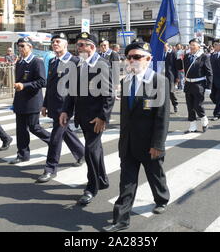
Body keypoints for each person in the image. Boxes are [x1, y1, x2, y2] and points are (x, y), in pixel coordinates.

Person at [103, 40, 170, 232]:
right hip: (129, 142)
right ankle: (121, 220)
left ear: (148, 59)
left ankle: (161, 198)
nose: (132, 60)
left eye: (137, 57)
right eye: (129, 57)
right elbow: (126, 116)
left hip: (150, 142)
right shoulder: (126, 81)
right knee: (127, 182)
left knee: (155, 174)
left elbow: (162, 118)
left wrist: (158, 144)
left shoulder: (159, 81)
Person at [60, 32, 115, 205]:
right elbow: (71, 91)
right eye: (78, 45)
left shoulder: (102, 65)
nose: (79, 48)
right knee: (95, 149)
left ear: (92, 47)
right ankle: (103, 179)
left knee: (90, 151)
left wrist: (103, 117)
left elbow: (109, 95)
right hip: (82, 116)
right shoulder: (77, 65)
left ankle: (92, 187)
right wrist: (65, 111)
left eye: (83, 45)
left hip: (95, 118)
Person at [37, 33, 85, 183]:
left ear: (65, 44)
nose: (54, 44)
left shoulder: (75, 61)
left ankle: (50, 168)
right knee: (66, 132)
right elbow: (50, 85)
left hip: (66, 107)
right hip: (54, 104)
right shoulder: (52, 61)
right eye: (53, 42)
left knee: (55, 137)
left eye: (58, 41)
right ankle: (82, 153)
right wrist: (44, 104)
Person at [9, 37, 51, 164]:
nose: (20, 49)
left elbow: (42, 81)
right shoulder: (20, 62)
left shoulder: (36, 62)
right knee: (20, 130)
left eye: (23, 46)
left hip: (32, 101)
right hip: (20, 101)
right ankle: (22, 154)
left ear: (30, 47)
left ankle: (54, 142)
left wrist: (24, 85)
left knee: (34, 127)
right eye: (19, 46)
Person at [182, 39, 213, 133]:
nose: (191, 47)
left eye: (193, 45)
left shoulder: (204, 57)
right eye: (190, 45)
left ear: (199, 47)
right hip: (188, 84)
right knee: (190, 106)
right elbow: (181, 68)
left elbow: (209, 73)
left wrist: (209, 87)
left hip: (199, 84)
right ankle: (192, 126)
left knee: (198, 105)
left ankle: (204, 120)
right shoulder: (186, 56)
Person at [163, 43, 179, 113]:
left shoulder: (173, 53)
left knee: (171, 92)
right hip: (162, 75)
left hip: (170, 76)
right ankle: (164, 108)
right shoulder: (161, 53)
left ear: (168, 46)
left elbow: (177, 66)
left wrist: (177, 77)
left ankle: (175, 104)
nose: (163, 47)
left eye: (164, 46)